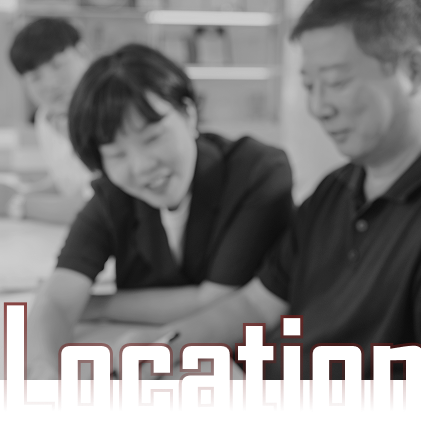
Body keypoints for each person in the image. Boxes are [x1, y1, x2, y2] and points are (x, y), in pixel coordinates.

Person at [154, 0, 421, 380]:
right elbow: (255, 306)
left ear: (413, 70)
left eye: (336, 83)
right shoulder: (334, 190)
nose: (318, 107)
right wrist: (157, 351)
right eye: (309, 86)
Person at [23, 44, 294, 378]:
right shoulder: (113, 195)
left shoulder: (256, 172)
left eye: (152, 138)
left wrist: (94, 304)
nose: (141, 167)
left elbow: (217, 299)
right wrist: (44, 374)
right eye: (117, 154)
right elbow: (56, 300)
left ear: (188, 114)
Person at [3, 17, 96, 224]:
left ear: (83, 53)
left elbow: (97, 206)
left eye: (57, 65)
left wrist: (17, 203)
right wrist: (23, 191)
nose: (51, 84)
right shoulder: (45, 118)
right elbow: (70, 182)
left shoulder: (108, 113)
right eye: (35, 77)